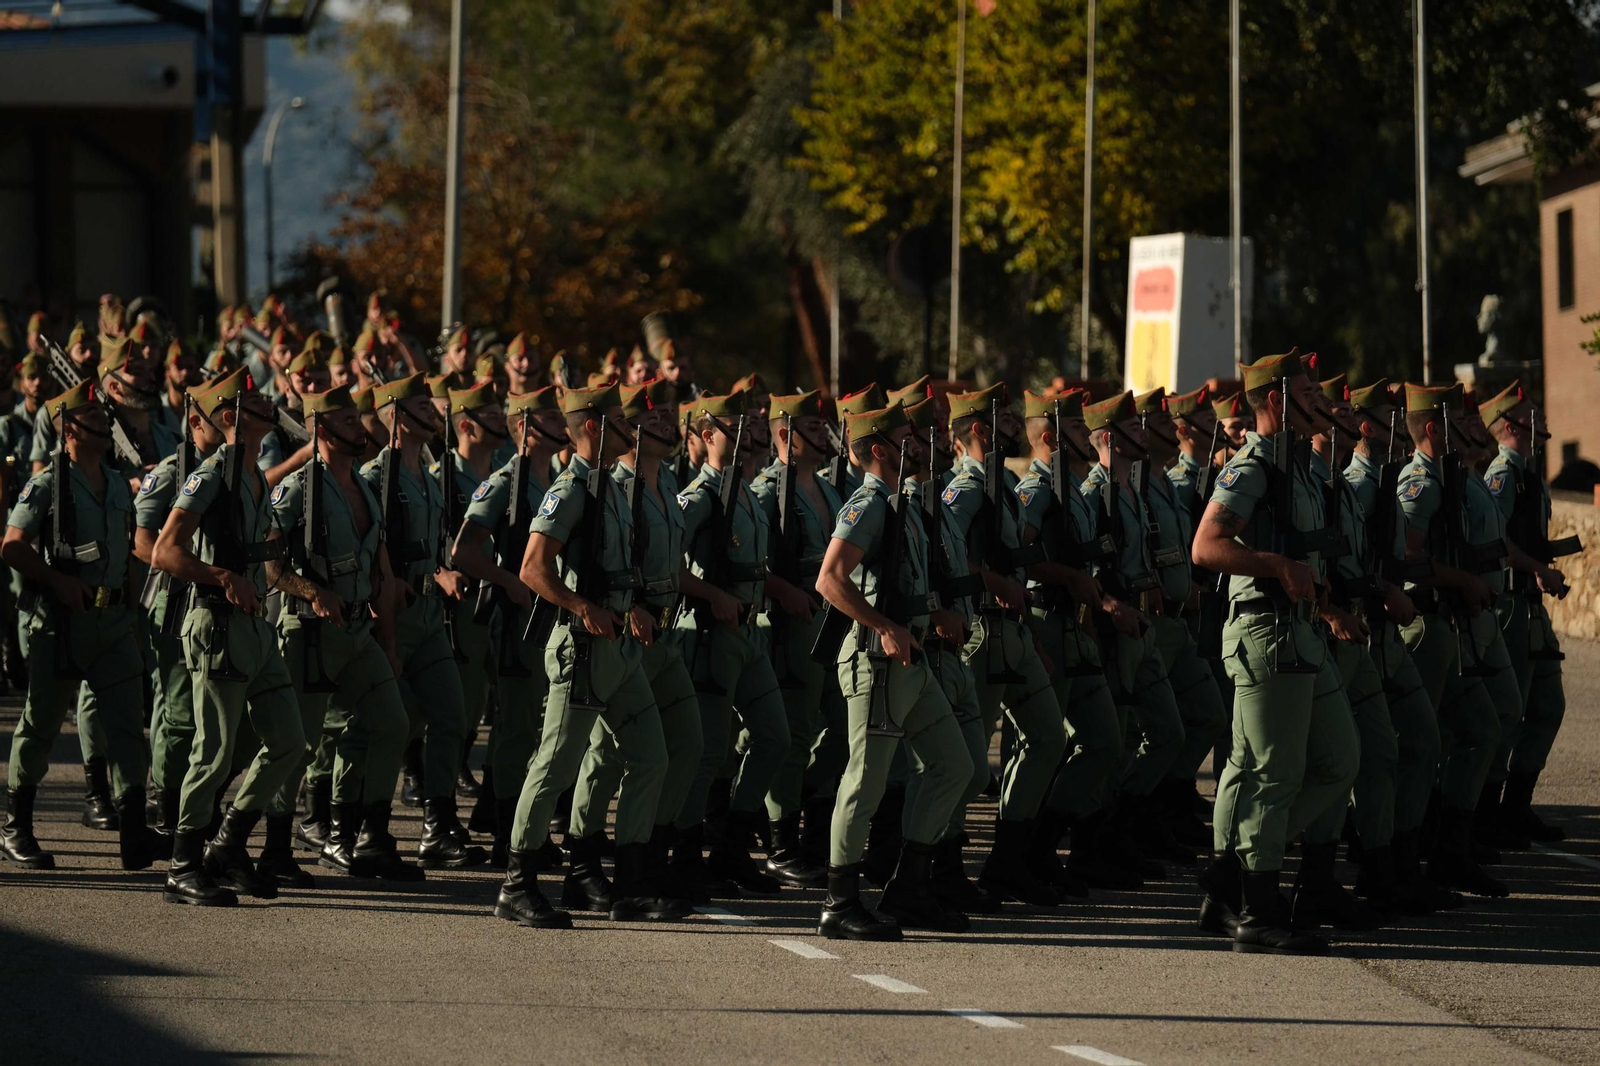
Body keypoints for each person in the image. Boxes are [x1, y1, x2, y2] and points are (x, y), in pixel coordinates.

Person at [1190, 350, 1359, 955]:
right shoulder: (1255, 463)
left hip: (1302, 631)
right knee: (1272, 773)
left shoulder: (1302, 469)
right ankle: (1257, 908)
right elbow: (1206, 546)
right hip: (1268, 633)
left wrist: (1329, 602)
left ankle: (1231, 876)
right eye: (1310, 393)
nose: (1324, 402)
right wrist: (1276, 565)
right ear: (1280, 401)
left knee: (1339, 760)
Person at [495, 382, 678, 928]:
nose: (631, 427)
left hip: (619, 647)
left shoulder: (610, 488)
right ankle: (516, 885)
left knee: (652, 756)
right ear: (596, 427)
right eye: (621, 419)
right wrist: (579, 606)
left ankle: (632, 884)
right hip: (583, 649)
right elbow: (533, 568)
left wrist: (634, 609)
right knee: (554, 764)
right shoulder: (571, 489)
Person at [150, 368, 313, 903]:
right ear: (231, 419)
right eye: (257, 404)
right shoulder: (211, 474)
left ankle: (228, 844)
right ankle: (182, 863)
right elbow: (165, 551)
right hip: (217, 623)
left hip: (255, 628)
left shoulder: (253, 474)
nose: (270, 408)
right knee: (213, 752)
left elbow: (264, 558)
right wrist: (220, 576)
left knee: (289, 742)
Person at [814, 401, 974, 938]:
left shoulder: (898, 503)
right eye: (910, 437)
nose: (923, 443)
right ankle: (838, 904)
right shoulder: (868, 504)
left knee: (954, 764)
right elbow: (830, 579)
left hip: (911, 661)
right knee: (866, 782)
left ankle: (909, 888)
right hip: (877, 661)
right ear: (881, 448)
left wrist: (935, 614)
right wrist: (883, 625)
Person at [0, 381, 165, 871]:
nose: (106, 424)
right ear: (70, 428)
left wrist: (135, 614)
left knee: (127, 727)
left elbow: (129, 554)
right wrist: (54, 579)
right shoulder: (48, 483)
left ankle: (134, 832)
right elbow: (11, 544)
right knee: (42, 724)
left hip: (114, 622)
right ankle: (17, 825)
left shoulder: (115, 482)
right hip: (61, 624)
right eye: (95, 417)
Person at [561, 379, 710, 909]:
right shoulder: (614, 486)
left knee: (685, 742)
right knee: (604, 755)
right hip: (624, 633)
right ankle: (582, 861)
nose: (668, 425)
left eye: (671, 416)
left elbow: (673, 568)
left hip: (664, 634)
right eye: (654, 417)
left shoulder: (667, 482)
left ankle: (648, 853)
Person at [266, 384, 421, 883]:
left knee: (394, 723)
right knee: (299, 745)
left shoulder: (363, 487)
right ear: (321, 429)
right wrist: (310, 591)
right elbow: (269, 563)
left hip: (359, 632)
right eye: (349, 421)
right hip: (311, 633)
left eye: (358, 419)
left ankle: (365, 838)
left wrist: (390, 643)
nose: (361, 428)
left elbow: (381, 570)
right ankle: (275, 846)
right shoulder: (297, 489)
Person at [1395, 381, 1529, 898]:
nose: (1470, 431)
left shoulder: (1452, 479)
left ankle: (1450, 850)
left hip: (1460, 626)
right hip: (1429, 626)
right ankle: (1408, 858)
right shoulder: (1421, 483)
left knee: (1482, 728)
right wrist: (1463, 582)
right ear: (1433, 428)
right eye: (1457, 424)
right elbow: (1406, 559)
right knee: (1424, 745)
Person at [941, 383, 1067, 905]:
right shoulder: (965, 490)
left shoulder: (1003, 486)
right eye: (1005, 422)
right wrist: (996, 584)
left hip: (1013, 633)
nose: (1016, 427)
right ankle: (942, 867)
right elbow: (947, 557)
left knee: (1048, 739)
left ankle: (1007, 861)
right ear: (979, 430)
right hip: (981, 636)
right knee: (967, 763)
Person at [357, 373, 485, 869]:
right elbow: (373, 550)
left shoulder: (428, 478)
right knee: (391, 726)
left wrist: (441, 570)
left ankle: (439, 825)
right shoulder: (376, 478)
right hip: (393, 615)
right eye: (424, 410)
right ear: (396, 416)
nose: (436, 415)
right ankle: (367, 827)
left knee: (452, 715)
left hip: (430, 617)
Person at [1012, 389, 1138, 891]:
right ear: (1049, 438)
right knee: (1045, 743)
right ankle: (1021, 854)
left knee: (1105, 741)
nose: (1088, 438)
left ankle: (1045, 841)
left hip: (1076, 627)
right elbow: (1018, 557)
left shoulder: (1072, 489)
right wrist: (1069, 577)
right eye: (1077, 432)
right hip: (1047, 622)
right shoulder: (1036, 490)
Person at [670, 391, 791, 897]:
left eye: (750, 425)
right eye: (731, 427)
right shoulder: (700, 498)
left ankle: (732, 845)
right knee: (709, 750)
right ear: (704, 436)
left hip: (749, 635)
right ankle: (684, 854)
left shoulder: (744, 492)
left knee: (775, 738)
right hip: (710, 639)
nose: (746, 434)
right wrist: (712, 593)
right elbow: (665, 567)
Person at [454, 385, 568, 865]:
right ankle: (508, 835)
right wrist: (511, 582)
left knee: (538, 729)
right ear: (525, 427)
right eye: (551, 419)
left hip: (549, 621)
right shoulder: (505, 483)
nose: (563, 426)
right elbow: (462, 551)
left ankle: (522, 825)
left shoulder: (558, 482)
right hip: (518, 622)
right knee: (517, 728)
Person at [748, 390, 844, 889]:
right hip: (790, 625)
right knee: (796, 732)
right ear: (786, 435)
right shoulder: (767, 491)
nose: (824, 435)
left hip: (828, 619)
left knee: (844, 729)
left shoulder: (827, 491)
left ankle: (809, 811)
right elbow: (744, 564)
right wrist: (782, 590)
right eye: (812, 427)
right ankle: (781, 841)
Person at [1132, 388, 1227, 849]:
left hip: (1177, 620)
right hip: (1149, 622)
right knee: (1151, 731)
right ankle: (1138, 818)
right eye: (1161, 425)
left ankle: (1168, 804)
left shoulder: (1163, 482)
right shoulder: (1130, 486)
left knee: (1208, 715)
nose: (1173, 431)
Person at [1478, 381, 1573, 844]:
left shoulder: (1528, 474)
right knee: (1508, 712)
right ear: (1513, 425)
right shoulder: (1501, 475)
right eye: (1533, 415)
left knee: (1547, 706)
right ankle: (1488, 814)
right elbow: (1499, 543)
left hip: (1531, 606)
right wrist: (1537, 567)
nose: (1542, 421)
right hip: (1510, 606)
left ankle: (1516, 806)